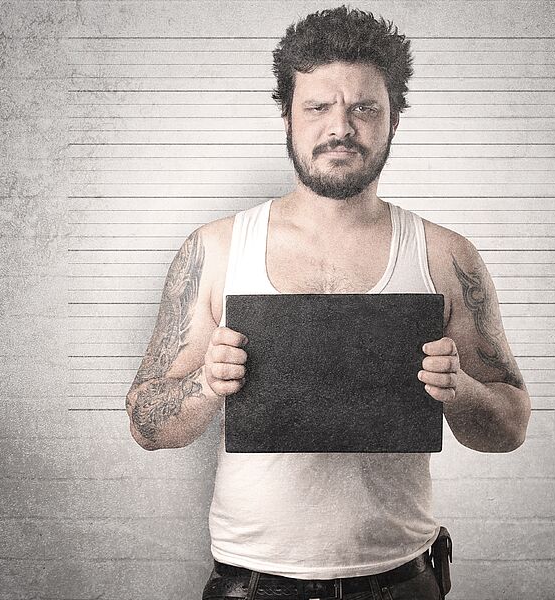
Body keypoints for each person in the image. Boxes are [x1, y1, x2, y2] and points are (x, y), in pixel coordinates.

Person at [125, 6, 530, 600]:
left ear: (394, 118)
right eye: (318, 107)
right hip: (252, 583)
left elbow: (510, 426)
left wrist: (459, 390)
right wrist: (207, 385)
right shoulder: (214, 249)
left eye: (364, 107)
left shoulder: (446, 257)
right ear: (287, 116)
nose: (341, 127)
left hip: (402, 580)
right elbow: (145, 422)